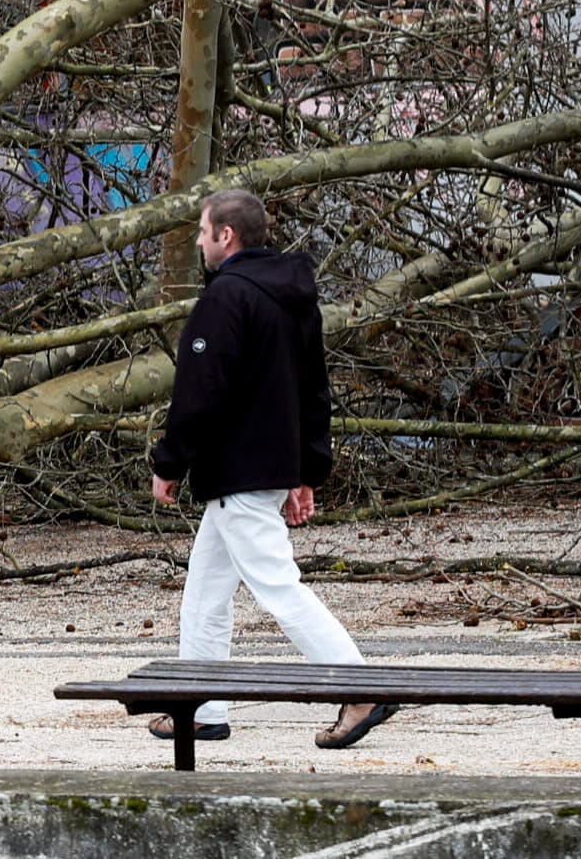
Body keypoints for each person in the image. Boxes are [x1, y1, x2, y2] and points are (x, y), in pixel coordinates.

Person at [147, 188, 397, 751]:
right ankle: (201, 707)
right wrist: (305, 470)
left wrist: (170, 462)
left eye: (203, 231)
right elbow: (314, 392)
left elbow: (199, 392)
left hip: (237, 472)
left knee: (279, 587)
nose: (199, 241)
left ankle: (361, 687)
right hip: (262, 471)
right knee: (205, 593)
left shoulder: (225, 299)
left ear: (225, 236)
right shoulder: (293, 298)